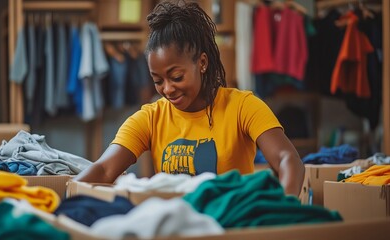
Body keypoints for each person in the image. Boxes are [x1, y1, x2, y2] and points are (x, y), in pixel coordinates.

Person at [75, 0, 305, 196]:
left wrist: (284, 209)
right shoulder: (150, 117)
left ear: (202, 63)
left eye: (176, 77)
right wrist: (69, 195)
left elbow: (287, 158)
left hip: (230, 225)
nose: (167, 89)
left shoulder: (243, 106)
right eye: (157, 80)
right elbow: (104, 170)